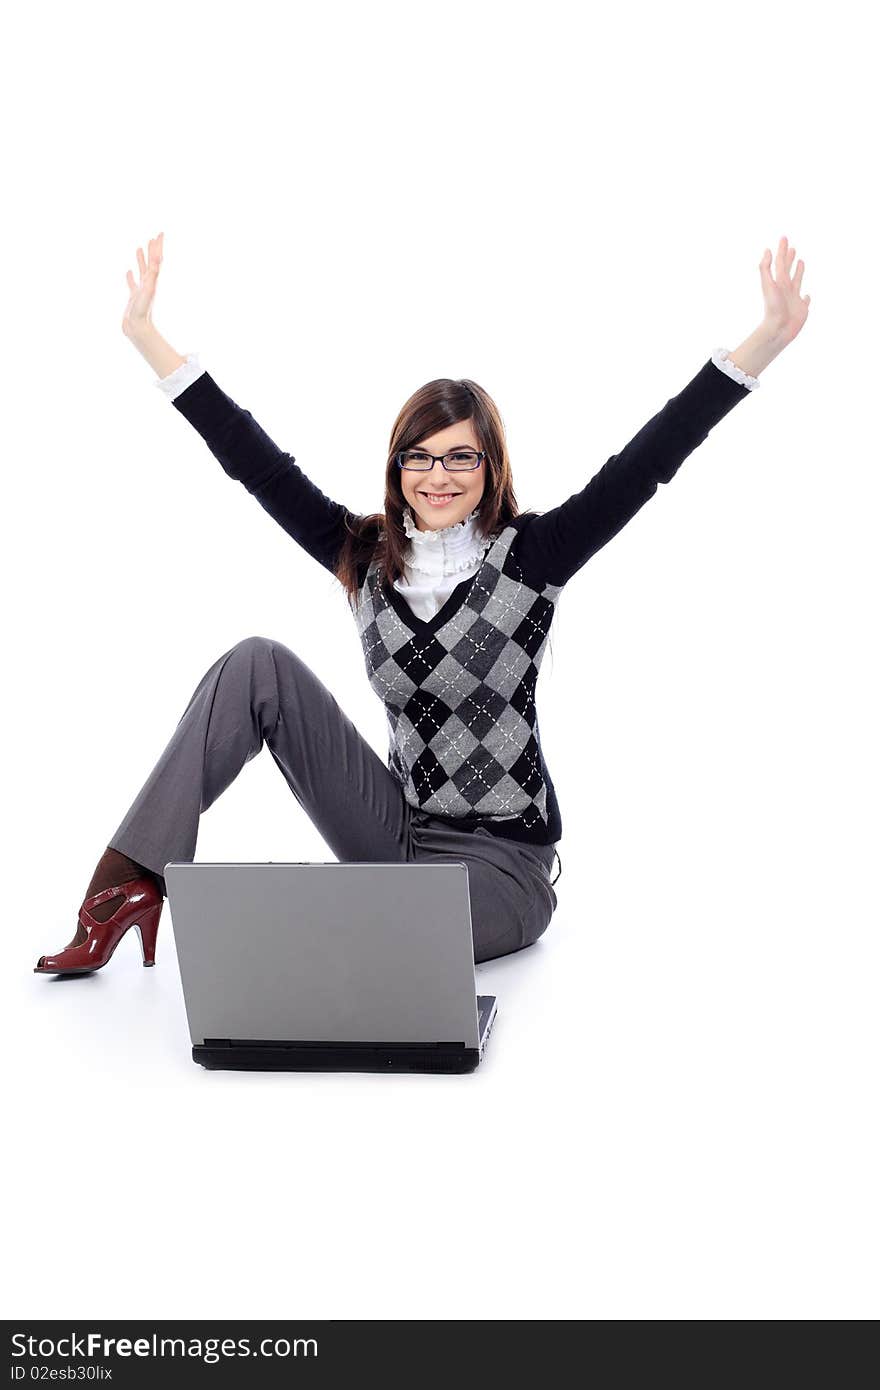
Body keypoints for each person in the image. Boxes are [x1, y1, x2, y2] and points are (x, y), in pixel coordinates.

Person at [35, 232, 810, 976]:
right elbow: (257, 466)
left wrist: (759, 347)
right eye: (420, 456)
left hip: (502, 867)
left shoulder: (533, 556)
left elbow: (647, 462)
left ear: (488, 465)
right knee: (255, 666)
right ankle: (125, 886)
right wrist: (150, 342)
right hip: (396, 834)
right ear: (399, 465)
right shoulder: (365, 559)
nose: (438, 476)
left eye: (459, 457)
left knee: (387, 941)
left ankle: (354, 938)